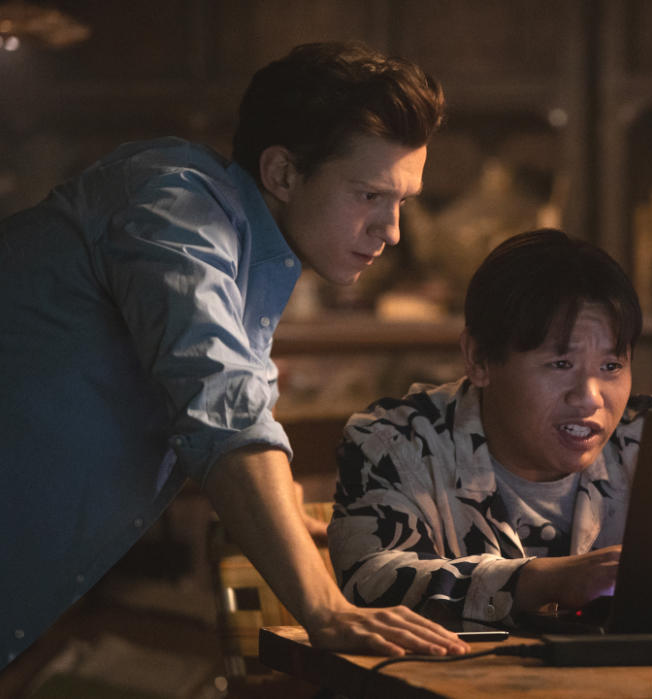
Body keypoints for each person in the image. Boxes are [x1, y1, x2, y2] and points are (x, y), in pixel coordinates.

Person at [0, 41, 471, 669]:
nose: (392, 231)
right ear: (281, 173)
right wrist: (325, 608)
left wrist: (294, 522)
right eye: (368, 196)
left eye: (402, 202)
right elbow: (223, 407)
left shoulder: (253, 258)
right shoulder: (174, 206)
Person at [328, 229, 652, 624]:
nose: (589, 397)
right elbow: (371, 583)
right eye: (560, 364)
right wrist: (541, 581)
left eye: (611, 367)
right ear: (480, 358)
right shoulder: (396, 443)